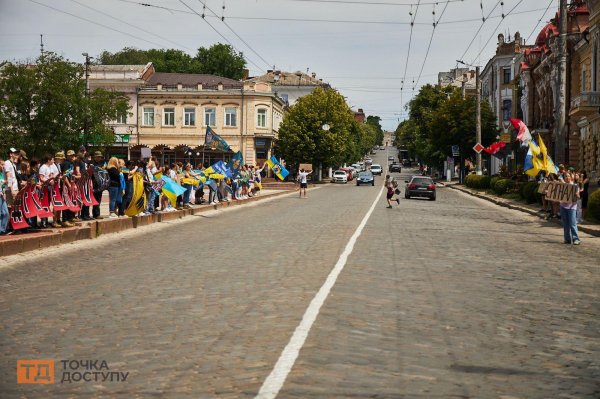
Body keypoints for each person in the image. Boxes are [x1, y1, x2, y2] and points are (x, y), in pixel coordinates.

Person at [560, 172, 581, 245]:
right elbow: (557, 195)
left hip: (572, 207)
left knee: (572, 223)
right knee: (565, 224)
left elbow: (578, 197)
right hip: (563, 206)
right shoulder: (561, 186)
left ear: (571, 177)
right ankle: (567, 239)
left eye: (568, 176)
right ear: (564, 178)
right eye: (565, 176)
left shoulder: (575, 186)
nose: (567, 177)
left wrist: (577, 195)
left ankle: (576, 239)